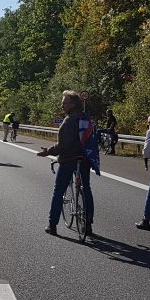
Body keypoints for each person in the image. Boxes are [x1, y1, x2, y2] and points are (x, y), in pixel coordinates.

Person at [36, 90, 95, 237]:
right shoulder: (86, 119)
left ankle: (52, 225)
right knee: (86, 189)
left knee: (58, 191)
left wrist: (48, 151)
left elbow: (63, 146)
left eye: (65, 103)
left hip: (69, 160)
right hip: (85, 160)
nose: (62, 105)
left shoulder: (69, 121)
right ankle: (88, 225)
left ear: (73, 104)